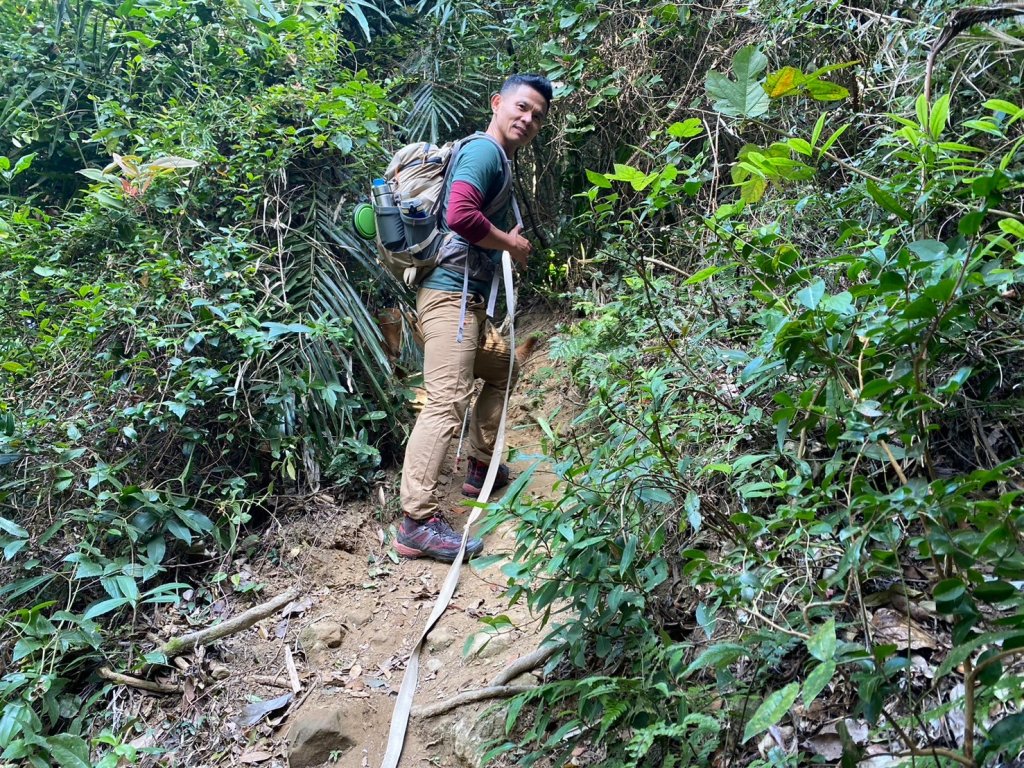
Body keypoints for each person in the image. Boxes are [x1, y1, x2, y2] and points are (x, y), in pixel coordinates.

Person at [394, 73, 552, 562]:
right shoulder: (484, 152)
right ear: (497, 102)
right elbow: (461, 215)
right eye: (522, 107)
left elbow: (469, 217)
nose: (528, 119)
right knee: (445, 402)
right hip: (450, 300)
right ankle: (416, 522)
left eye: (538, 116)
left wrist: (504, 235)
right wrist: (512, 243)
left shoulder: (495, 159)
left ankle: (481, 468)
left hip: (468, 303)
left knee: (504, 370)